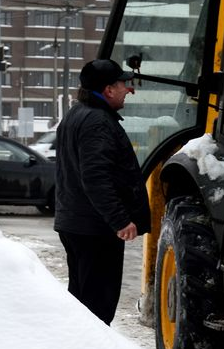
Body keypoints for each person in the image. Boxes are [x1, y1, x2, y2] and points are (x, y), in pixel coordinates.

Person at [54, 58, 151, 324]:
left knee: (81, 301)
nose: (128, 90)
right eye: (123, 84)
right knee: (97, 308)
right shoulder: (98, 122)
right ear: (108, 90)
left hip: (77, 223)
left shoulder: (76, 114)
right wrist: (119, 219)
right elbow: (96, 177)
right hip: (94, 229)